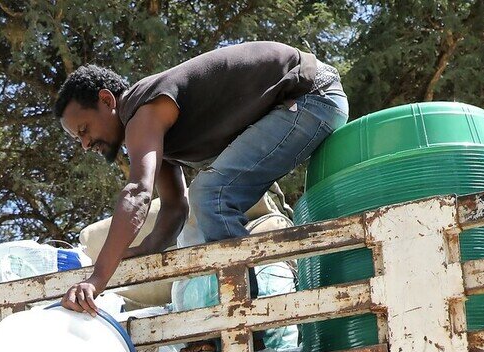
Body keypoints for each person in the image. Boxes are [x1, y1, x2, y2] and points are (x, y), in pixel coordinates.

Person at [54, 43, 349, 314]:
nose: (85, 144)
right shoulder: (154, 131)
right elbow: (174, 207)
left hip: (311, 96)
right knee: (206, 201)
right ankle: (244, 311)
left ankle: (248, 315)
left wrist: (97, 279)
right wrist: (149, 246)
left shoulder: (141, 109)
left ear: (107, 101)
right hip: (306, 103)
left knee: (212, 194)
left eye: (83, 130)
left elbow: (138, 194)